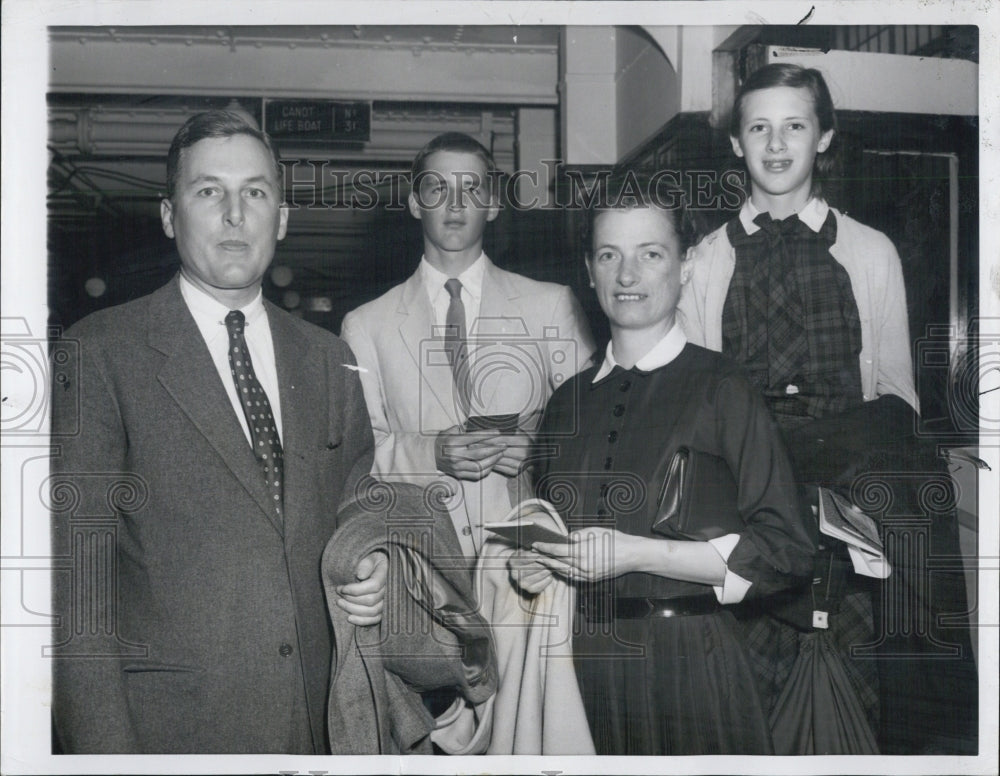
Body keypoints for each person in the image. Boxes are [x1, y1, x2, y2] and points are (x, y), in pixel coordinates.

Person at [50, 111, 385, 754]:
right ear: (170, 216)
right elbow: (78, 593)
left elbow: (359, 503)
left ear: (281, 218)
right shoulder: (101, 351)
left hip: (324, 725)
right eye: (209, 191)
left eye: (255, 192)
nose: (235, 214)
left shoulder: (327, 359)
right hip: (174, 735)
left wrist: (374, 563)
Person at [678, 63, 977, 754]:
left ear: (825, 137)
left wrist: (852, 506)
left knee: (872, 668)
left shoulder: (871, 251)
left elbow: (894, 395)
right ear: (734, 143)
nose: (776, 143)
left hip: (854, 479)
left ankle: (934, 736)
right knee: (756, 699)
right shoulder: (702, 260)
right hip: (752, 479)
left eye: (795, 125)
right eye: (758, 126)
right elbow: (697, 404)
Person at [508, 173, 816, 755]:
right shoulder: (564, 402)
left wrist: (642, 553)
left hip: (688, 670)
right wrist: (538, 566)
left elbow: (789, 550)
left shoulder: (722, 386)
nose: (628, 276)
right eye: (609, 255)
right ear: (589, 270)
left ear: (686, 266)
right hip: (575, 669)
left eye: (651, 254)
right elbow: (548, 532)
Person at [340, 132, 594, 559]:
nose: (455, 204)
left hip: (528, 561)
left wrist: (538, 449)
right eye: (438, 188)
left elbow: (592, 425)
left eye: (471, 189)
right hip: (420, 560)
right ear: (415, 203)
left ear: (493, 205)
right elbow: (357, 455)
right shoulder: (366, 325)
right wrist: (432, 453)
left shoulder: (551, 305)